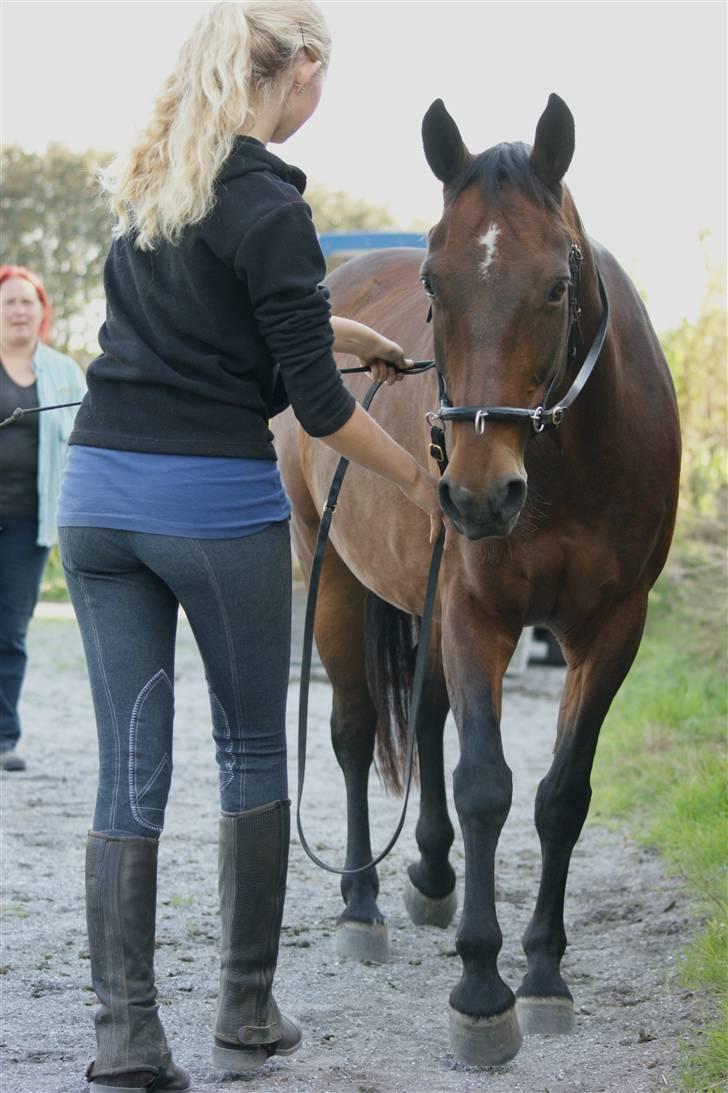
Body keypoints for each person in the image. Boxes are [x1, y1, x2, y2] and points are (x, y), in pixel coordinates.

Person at [56, 3, 441, 1090]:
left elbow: (233, 339)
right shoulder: (269, 202)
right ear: (302, 69)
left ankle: (126, 1039)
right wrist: (418, 475)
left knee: (129, 771)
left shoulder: (150, 183)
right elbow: (318, 412)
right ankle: (244, 1013)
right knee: (249, 752)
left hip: (97, 500)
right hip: (208, 506)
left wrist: (341, 330)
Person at [0, 264, 86, 773]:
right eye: (8, 301)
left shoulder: (64, 372)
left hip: (27, 525)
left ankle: (4, 737)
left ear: (41, 312)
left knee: (9, 633)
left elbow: (85, 440)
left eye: (27, 302)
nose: (17, 310)